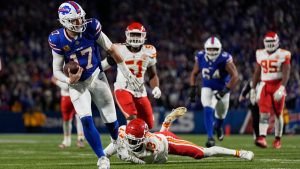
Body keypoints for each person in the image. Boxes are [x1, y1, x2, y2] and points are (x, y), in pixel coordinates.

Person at [48, 1, 142, 168]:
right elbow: (56, 70)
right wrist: (68, 80)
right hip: (77, 85)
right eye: (76, 20)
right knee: (85, 120)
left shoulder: (91, 26)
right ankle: (102, 157)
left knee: (111, 119)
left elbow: (111, 49)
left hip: (97, 76)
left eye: (81, 18)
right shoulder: (57, 38)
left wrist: (127, 73)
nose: (80, 22)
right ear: (65, 21)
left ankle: (119, 148)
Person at [104, 107, 254, 164]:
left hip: (167, 143)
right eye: (129, 138)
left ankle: (240, 153)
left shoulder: (152, 146)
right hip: (159, 136)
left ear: (143, 139)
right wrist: (104, 154)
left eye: (133, 140)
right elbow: (118, 141)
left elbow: (147, 163)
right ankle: (168, 120)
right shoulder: (124, 132)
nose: (130, 141)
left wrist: (128, 157)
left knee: (202, 153)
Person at [101, 22, 161, 129]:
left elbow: (152, 74)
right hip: (122, 88)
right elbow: (103, 66)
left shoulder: (149, 50)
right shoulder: (118, 48)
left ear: (144, 36)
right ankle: (129, 144)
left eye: (138, 35)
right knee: (132, 116)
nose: (135, 37)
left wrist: (156, 87)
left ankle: (138, 143)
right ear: (127, 35)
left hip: (140, 91)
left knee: (149, 125)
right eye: (133, 34)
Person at [189, 36, 239, 147]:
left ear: (219, 49)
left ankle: (218, 127)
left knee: (221, 115)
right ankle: (210, 138)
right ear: (206, 49)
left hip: (222, 89)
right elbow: (194, 73)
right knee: (207, 108)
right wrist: (192, 88)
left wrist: (225, 90)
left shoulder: (224, 58)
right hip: (207, 87)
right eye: (210, 49)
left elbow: (235, 76)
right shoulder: (201, 56)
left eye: (215, 49)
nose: (212, 51)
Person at [252, 32, 291, 149]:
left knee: (278, 113)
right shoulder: (260, 53)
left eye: (272, 42)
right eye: (268, 42)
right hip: (265, 85)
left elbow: (286, 72)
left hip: (278, 84)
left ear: (277, 42)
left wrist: (282, 87)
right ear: (264, 42)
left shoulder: (284, 54)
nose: (269, 44)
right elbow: (257, 72)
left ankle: (277, 139)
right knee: (263, 113)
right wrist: (253, 88)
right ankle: (262, 138)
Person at [51, 76, 85, 148]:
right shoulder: (59, 66)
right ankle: (66, 141)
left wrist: (57, 82)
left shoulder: (77, 65)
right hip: (66, 97)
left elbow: (67, 86)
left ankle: (80, 139)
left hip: (77, 94)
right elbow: (53, 78)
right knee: (66, 120)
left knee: (79, 117)